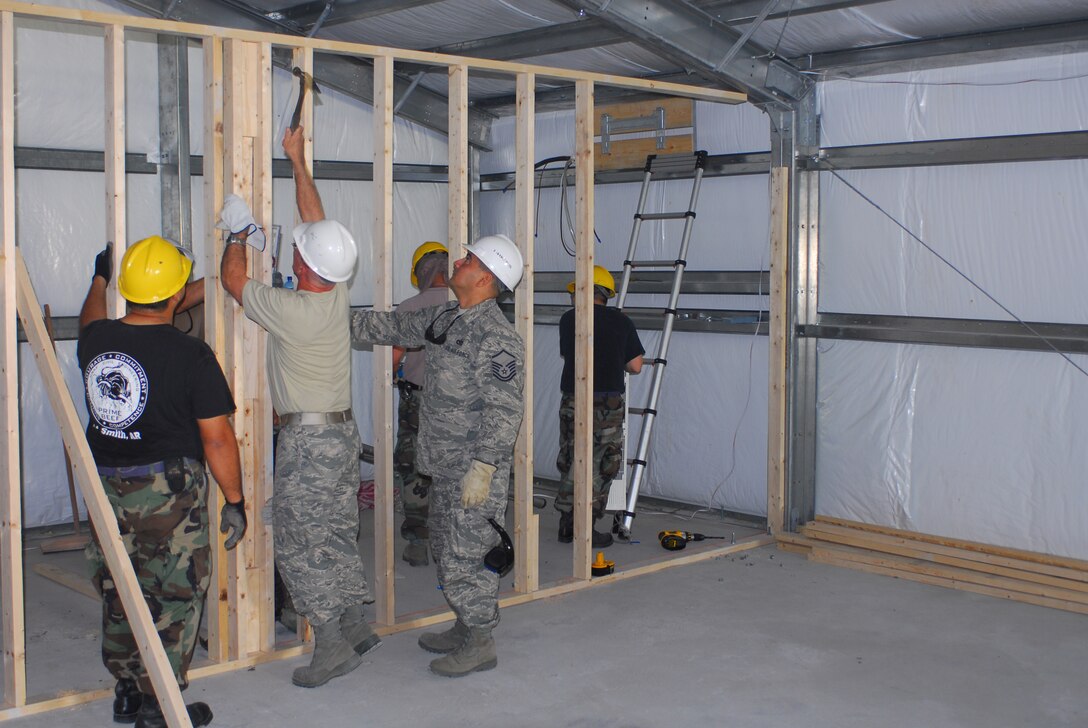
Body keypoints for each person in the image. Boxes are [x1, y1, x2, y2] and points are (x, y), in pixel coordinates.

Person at [219, 126, 377, 689]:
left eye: (298, 253)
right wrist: (296, 159)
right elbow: (318, 223)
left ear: (305, 268)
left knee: (298, 539)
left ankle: (332, 645)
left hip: (308, 445)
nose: (295, 247)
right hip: (339, 436)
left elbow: (232, 280)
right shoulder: (333, 291)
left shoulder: (292, 309)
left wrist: (237, 233)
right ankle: (357, 625)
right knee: (335, 530)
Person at [78, 236, 246, 728]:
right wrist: (235, 500)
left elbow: (90, 313)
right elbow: (218, 441)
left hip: (104, 490)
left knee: (119, 588)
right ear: (175, 296)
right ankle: (159, 705)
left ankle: (126, 691)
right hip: (165, 496)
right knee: (175, 594)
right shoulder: (192, 356)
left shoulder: (95, 339)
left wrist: (99, 276)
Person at [350, 234, 524, 678]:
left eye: (469, 258)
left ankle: (481, 640)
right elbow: (390, 327)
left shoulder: (496, 337)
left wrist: (484, 468)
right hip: (445, 466)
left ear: (486, 276)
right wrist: (326, 312)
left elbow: (505, 409)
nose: (459, 260)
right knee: (448, 552)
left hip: (473, 471)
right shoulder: (448, 316)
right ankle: (466, 625)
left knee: (468, 555)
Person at [555, 265, 644, 548]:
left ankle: (567, 523)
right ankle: (586, 528)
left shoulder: (568, 320)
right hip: (606, 403)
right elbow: (636, 366)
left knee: (572, 458)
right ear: (606, 294)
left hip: (572, 399)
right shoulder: (621, 322)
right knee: (600, 465)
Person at [392, 241, 450, 567]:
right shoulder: (466, 304)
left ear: (419, 273)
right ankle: (455, 542)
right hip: (458, 405)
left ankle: (417, 541)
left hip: (418, 400)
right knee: (453, 470)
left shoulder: (409, 307)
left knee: (414, 468)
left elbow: (394, 356)